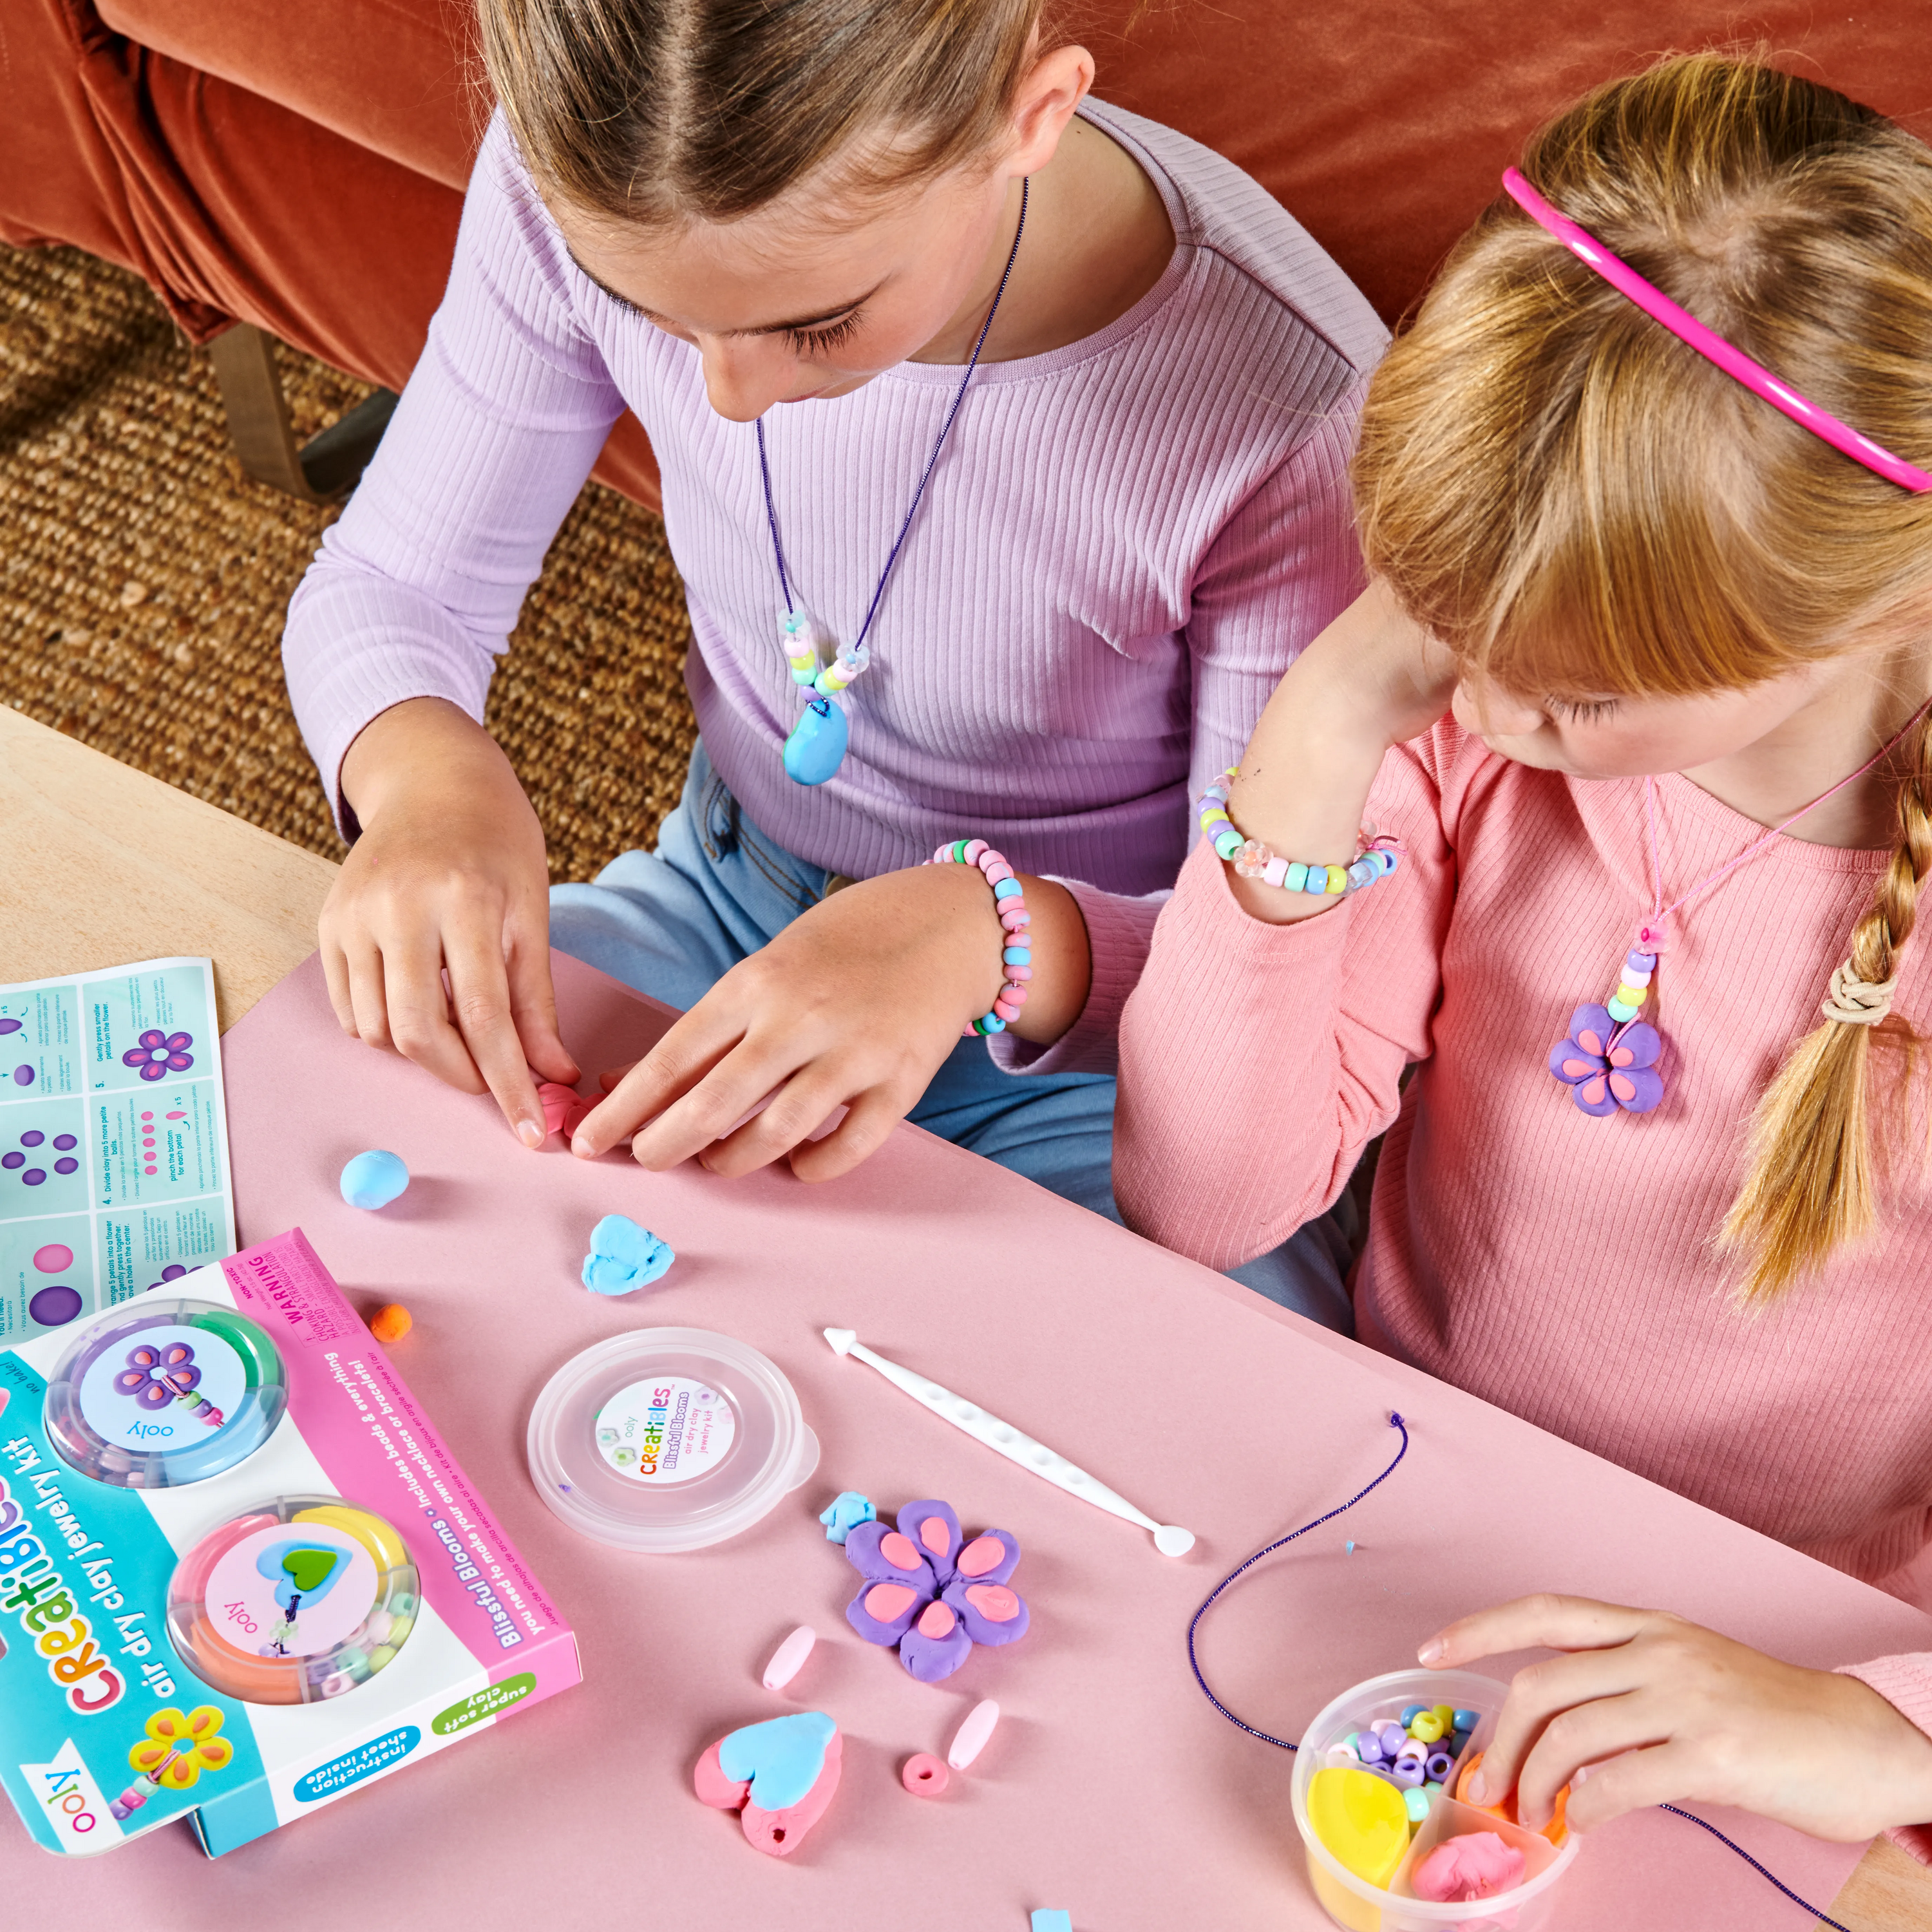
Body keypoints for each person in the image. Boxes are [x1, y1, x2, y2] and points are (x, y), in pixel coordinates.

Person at [1112, 55, 1932, 1848]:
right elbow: (1211, 1196)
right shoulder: (1462, 704)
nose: (1480, 704)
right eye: (1438, 626)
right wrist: (1326, 723)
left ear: (1879, 599)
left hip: (1765, 1657)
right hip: (1405, 1481)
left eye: (1574, 697)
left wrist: (1889, 1732)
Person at [280, 0, 1384, 1326]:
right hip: (724, 909)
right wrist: (423, 781)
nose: (726, 394)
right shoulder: (565, 178)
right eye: (653, 312)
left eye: (815, 325)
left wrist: (982, 939)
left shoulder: (1290, 410)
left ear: (1030, 116)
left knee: (1214, 1382)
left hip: (1117, 1057)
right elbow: (396, 584)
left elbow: (1291, 964)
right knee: (332, 1185)